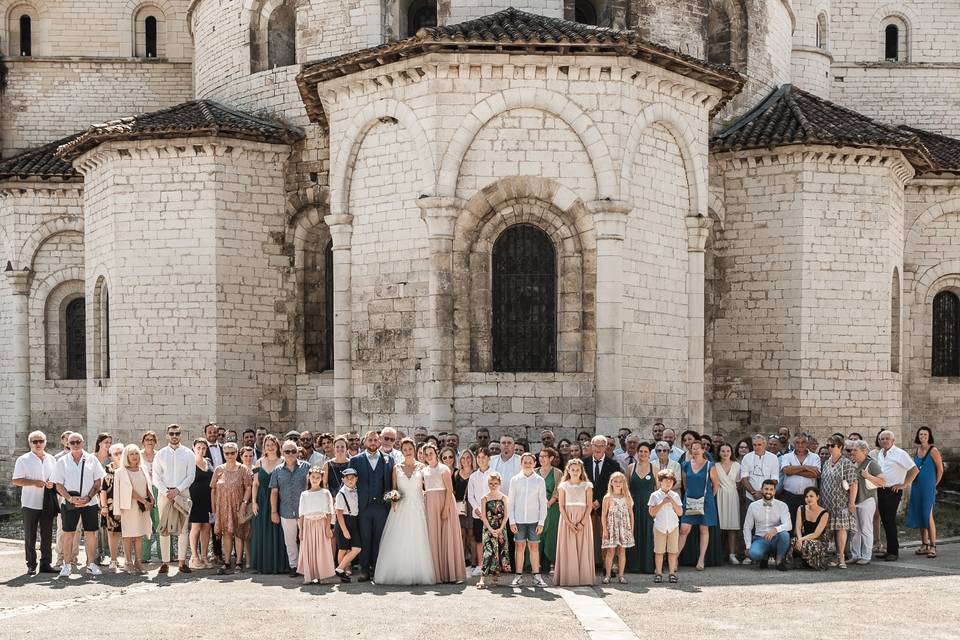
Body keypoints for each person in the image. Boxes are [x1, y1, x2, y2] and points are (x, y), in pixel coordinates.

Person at [373, 437, 436, 585]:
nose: (408, 452)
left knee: (417, 539)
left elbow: (428, 487)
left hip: (418, 507)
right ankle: (397, 573)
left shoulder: (422, 467)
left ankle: (418, 574)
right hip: (400, 508)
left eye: (410, 449)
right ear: (401, 451)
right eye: (405, 449)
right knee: (399, 539)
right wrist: (393, 498)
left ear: (414, 450)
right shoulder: (396, 468)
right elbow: (394, 488)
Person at [52, 433, 106, 577]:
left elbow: (98, 481)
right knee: (68, 534)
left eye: (78, 442)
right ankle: (67, 565)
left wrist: (88, 497)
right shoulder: (62, 461)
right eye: (72, 442)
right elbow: (58, 484)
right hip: (70, 503)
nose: (75, 444)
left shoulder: (92, 459)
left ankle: (91, 564)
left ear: (82, 442)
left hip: (90, 502)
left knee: (91, 533)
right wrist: (70, 498)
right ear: (68, 444)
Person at [12, 430, 58, 575]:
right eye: (35, 441)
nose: (38, 444)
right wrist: (33, 483)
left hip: (47, 503)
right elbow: (16, 480)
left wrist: (52, 483)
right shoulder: (23, 459)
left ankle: (46, 564)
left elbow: (56, 478)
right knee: (30, 536)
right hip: (30, 503)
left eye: (41, 441)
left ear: (45, 442)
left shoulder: (52, 459)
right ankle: (31, 565)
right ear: (30, 443)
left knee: (47, 536)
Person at [152, 424, 196, 574]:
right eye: (171, 433)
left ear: (181, 435)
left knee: (183, 528)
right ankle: (165, 562)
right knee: (164, 527)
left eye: (177, 433)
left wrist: (177, 491)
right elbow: (156, 476)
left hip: (182, 493)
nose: (174, 436)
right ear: (167, 435)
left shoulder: (189, 453)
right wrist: (166, 491)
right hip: (164, 494)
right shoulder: (161, 454)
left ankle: (182, 562)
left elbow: (191, 475)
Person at [422, 443, 467, 583]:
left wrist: (446, 509)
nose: (429, 456)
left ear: (436, 453)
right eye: (426, 454)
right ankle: (437, 575)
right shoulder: (424, 470)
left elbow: (449, 490)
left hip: (444, 501)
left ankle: (452, 573)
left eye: (431, 453)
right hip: (430, 503)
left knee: (447, 536)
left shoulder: (444, 469)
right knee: (433, 536)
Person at [210, 442, 253, 574]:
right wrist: (214, 509)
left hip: (238, 506)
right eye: (227, 453)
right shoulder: (219, 469)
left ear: (236, 453)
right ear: (223, 454)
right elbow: (213, 489)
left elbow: (249, 487)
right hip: (223, 506)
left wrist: (244, 503)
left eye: (232, 453)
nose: (230, 455)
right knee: (227, 534)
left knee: (239, 533)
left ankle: (239, 562)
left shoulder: (243, 469)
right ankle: (227, 562)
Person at [271, 439, 311, 576]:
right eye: (287, 451)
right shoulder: (277, 470)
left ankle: (306, 566)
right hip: (286, 511)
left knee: (306, 540)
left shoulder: (307, 467)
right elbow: (274, 492)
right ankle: (293, 566)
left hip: (304, 511)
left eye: (293, 451)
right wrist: (274, 512)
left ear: (297, 452)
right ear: (282, 452)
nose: (290, 454)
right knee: (290, 541)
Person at [507, 452, 548, 587]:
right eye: (525, 462)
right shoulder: (515, 480)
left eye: (530, 462)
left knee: (534, 547)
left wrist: (541, 522)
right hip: (518, 520)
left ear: (534, 463)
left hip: (534, 520)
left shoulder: (539, 480)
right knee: (519, 546)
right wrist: (512, 521)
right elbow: (511, 502)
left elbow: (543, 503)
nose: (528, 464)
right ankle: (518, 576)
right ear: (521, 463)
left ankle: (536, 576)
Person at [677, 441, 719, 571]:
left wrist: (708, 498)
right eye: (692, 448)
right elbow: (685, 484)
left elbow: (716, 485)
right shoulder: (686, 465)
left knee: (703, 530)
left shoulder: (710, 465)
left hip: (705, 501)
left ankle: (701, 560)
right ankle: (674, 558)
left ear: (703, 450)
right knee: (684, 529)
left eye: (697, 448)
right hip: (689, 500)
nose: (694, 450)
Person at [113, 444, 154, 574]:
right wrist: (142, 500)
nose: (135, 456)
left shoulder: (143, 469)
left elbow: (148, 485)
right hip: (128, 507)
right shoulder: (121, 472)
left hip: (142, 507)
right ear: (127, 456)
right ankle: (128, 562)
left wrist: (151, 498)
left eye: (136, 453)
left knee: (139, 535)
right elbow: (127, 491)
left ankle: (138, 561)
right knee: (128, 536)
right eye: (132, 454)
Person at [251, 434, 287, 574]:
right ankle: (263, 565)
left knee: (279, 532)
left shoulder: (283, 461)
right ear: (264, 447)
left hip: (279, 500)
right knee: (262, 531)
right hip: (262, 500)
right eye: (267, 445)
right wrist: (254, 502)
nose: (270, 447)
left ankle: (280, 565)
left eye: (272, 444)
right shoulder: (259, 462)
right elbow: (255, 484)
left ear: (277, 446)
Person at [555, 458, 595, 586]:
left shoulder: (587, 485)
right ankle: (568, 578)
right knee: (568, 547)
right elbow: (561, 506)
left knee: (583, 546)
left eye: (578, 470)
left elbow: (589, 506)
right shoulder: (563, 486)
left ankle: (584, 578)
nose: (575, 472)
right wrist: (569, 523)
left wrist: (582, 522)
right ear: (568, 470)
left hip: (583, 518)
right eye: (573, 469)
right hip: (567, 520)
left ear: (581, 470)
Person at [820, 435, 857, 569]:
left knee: (841, 528)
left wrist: (851, 502)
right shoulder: (826, 462)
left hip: (841, 500)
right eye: (828, 445)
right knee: (832, 529)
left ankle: (841, 557)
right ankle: (836, 555)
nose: (829, 448)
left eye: (832, 445)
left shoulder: (846, 463)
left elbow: (853, 483)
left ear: (840, 447)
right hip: (827, 501)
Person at [906, 426, 944, 558]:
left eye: (925, 435)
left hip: (928, 486)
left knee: (927, 514)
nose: (923, 437)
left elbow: (940, 469)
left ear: (929, 436)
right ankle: (924, 544)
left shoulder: (933, 450)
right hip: (917, 486)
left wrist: (934, 484)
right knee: (920, 513)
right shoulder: (916, 450)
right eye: (921, 434)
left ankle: (933, 545)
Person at [296, 466, 335, 584]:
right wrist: (301, 530)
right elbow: (301, 514)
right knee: (308, 549)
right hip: (308, 524)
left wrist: (328, 527)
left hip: (322, 523)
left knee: (322, 550)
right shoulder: (304, 494)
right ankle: (308, 576)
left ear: (322, 479)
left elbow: (329, 512)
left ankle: (322, 576)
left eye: (318, 477)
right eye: (313, 477)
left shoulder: (325, 493)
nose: (315, 479)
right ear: (309, 478)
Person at [583, 435, 618, 563]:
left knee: (605, 537)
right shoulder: (583, 463)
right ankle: (587, 566)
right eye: (595, 446)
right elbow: (580, 485)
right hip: (588, 506)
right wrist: (590, 501)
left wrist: (599, 500)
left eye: (601, 446)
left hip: (606, 506)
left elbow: (614, 487)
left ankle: (607, 566)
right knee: (587, 538)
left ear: (605, 447)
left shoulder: (613, 465)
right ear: (591, 447)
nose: (598, 449)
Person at [742, 479, 791, 570]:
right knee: (754, 554)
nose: (768, 492)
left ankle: (779, 561)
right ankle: (764, 556)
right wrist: (748, 546)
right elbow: (747, 527)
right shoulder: (753, 506)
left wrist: (775, 530)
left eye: (771, 489)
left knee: (785, 535)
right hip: (760, 539)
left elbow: (788, 525)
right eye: (766, 489)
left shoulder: (782, 505)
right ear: (761, 490)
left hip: (776, 538)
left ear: (775, 491)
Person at [848, 440, 884, 565]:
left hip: (867, 500)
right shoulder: (853, 464)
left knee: (865, 529)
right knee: (855, 530)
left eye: (855, 450)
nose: (852, 452)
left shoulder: (871, 464)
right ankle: (855, 555)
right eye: (851, 450)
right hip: (855, 501)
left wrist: (867, 476)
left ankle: (867, 555)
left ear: (864, 451)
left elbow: (882, 481)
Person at [625, 442, 656, 574]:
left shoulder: (654, 468)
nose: (643, 454)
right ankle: (633, 565)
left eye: (645, 451)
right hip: (633, 506)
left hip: (649, 507)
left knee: (648, 534)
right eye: (641, 451)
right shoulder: (631, 467)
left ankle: (648, 565)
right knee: (633, 533)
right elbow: (625, 488)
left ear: (649, 454)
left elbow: (658, 489)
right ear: (637, 453)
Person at [648, 468, 683, 584]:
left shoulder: (675, 496)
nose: (668, 483)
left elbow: (680, 512)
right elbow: (652, 512)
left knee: (672, 551)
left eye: (670, 481)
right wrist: (663, 502)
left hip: (673, 526)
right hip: (659, 526)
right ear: (660, 482)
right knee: (659, 551)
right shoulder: (655, 495)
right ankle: (658, 573)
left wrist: (672, 501)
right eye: (665, 481)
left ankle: (672, 573)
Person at [478, 471, 510, 589]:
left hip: (501, 528)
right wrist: (491, 530)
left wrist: (500, 529)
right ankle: (482, 577)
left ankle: (495, 577)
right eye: (491, 483)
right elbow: (483, 516)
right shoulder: (484, 498)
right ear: (488, 484)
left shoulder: (504, 497)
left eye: (495, 483)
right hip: (488, 528)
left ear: (500, 484)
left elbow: (506, 515)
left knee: (499, 552)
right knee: (488, 552)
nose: (493, 486)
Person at [601, 472, 634, 584]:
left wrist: (631, 529)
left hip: (624, 527)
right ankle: (608, 575)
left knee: (622, 551)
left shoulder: (627, 497)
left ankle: (621, 575)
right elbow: (603, 515)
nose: (618, 483)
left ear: (624, 483)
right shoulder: (607, 497)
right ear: (611, 483)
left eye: (620, 481)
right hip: (611, 527)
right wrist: (605, 530)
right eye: (615, 481)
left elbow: (631, 514)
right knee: (610, 551)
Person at [779, 433, 821, 521]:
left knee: (807, 523)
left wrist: (793, 470)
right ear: (794, 443)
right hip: (790, 496)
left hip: (809, 498)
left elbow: (814, 474)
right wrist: (805, 467)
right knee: (790, 522)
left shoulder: (815, 457)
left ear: (807, 443)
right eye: (797, 442)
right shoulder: (787, 456)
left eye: (803, 442)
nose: (800, 445)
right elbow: (786, 471)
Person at [188, 438, 214, 569]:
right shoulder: (190, 462)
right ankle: (194, 556)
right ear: (193, 448)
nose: (201, 450)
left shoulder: (208, 462)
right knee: (196, 527)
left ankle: (204, 556)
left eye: (204, 448)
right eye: (198, 448)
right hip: (194, 499)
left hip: (208, 499)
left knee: (207, 527)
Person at [98, 442, 124, 571]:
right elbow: (103, 490)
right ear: (111, 455)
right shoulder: (108, 469)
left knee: (127, 534)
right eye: (116, 453)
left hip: (127, 506)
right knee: (112, 534)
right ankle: (113, 560)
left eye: (121, 452)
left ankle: (127, 559)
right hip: (111, 506)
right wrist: (103, 507)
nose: (119, 455)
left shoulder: (129, 467)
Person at [467, 447, 493, 577]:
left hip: (491, 513)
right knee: (479, 540)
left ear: (489, 458)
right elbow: (470, 496)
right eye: (479, 457)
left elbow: (498, 493)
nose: (481, 460)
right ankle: (480, 565)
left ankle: (492, 565)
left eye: (484, 457)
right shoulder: (473, 476)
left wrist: (489, 510)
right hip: (477, 514)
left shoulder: (494, 474)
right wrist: (477, 509)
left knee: (492, 539)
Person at [715, 442, 742, 565]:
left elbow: (739, 483)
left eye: (728, 451)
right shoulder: (715, 466)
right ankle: (718, 554)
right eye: (723, 451)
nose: (725, 453)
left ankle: (732, 554)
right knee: (719, 526)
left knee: (732, 527)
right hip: (719, 495)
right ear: (719, 452)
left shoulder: (737, 466)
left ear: (731, 452)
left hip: (732, 495)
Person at [333, 467, 361, 581]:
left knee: (357, 548)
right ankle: (342, 572)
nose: (350, 480)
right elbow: (338, 513)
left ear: (356, 479)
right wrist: (344, 530)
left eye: (352, 478)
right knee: (343, 549)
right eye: (347, 478)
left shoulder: (357, 490)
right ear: (343, 480)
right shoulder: (341, 493)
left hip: (354, 521)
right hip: (343, 522)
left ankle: (339, 569)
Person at [537, 447, 562, 573]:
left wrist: (549, 503)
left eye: (544, 456)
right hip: (536, 508)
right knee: (538, 534)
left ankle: (551, 563)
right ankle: (537, 563)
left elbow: (558, 489)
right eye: (540, 456)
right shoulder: (534, 471)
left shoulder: (558, 473)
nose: (541, 459)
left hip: (552, 507)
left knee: (551, 534)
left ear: (551, 458)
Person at [793, 487, 830, 570]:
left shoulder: (824, 513)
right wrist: (799, 539)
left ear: (817, 497)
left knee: (810, 543)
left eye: (811, 496)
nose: (808, 499)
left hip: (819, 540)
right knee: (792, 541)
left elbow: (817, 534)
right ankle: (799, 561)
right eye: (806, 497)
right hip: (804, 537)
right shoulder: (801, 509)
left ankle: (812, 563)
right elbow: (798, 527)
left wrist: (802, 539)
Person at [138, 431, 160, 564]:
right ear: (143, 441)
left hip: (158, 490)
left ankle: (165, 554)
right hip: (143, 491)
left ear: (155, 441)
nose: (149, 441)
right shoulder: (138, 455)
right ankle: (144, 556)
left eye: (152, 439)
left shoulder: (160, 455)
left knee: (159, 522)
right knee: (145, 523)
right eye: (147, 439)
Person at [739, 434, 779, 502]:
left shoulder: (773, 458)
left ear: (764, 444)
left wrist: (762, 493)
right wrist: (753, 493)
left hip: (768, 495)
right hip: (750, 496)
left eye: (759, 444)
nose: (757, 447)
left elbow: (774, 478)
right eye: (754, 445)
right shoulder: (747, 457)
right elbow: (743, 478)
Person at [455, 449, 475, 569]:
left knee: (471, 534)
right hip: (460, 506)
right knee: (461, 534)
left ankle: (473, 561)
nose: (466, 460)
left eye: (468, 457)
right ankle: (462, 560)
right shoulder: (456, 474)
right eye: (463, 458)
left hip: (472, 505)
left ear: (472, 459)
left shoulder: (476, 473)